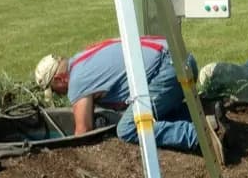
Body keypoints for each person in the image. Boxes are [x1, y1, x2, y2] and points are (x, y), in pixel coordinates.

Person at [34, 37, 224, 163]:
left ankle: (200, 137)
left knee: (128, 128)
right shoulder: (82, 59)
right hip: (184, 59)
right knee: (150, 110)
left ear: (60, 79)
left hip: (169, 70)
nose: (60, 95)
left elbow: (83, 132)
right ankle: (207, 111)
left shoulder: (77, 81)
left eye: (55, 90)